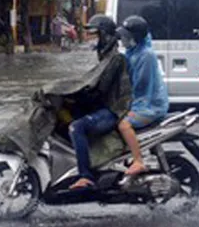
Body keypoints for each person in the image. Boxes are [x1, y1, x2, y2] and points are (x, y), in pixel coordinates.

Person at [68, 14, 131, 190]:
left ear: (105, 36)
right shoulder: (106, 57)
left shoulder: (115, 59)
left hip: (114, 110)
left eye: (95, 35)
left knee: (76, 127)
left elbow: (100, 89)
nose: (92, 39)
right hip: (105, 107)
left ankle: (85, 176)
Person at [116, 15, 169, 176]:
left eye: (126, 37)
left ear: (135, 38)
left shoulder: (146, 55)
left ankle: (138, 160)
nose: (123, 40)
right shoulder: (132, 52)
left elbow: (141, 85)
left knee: (123, 124)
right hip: (139, 102)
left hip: (149, 105)